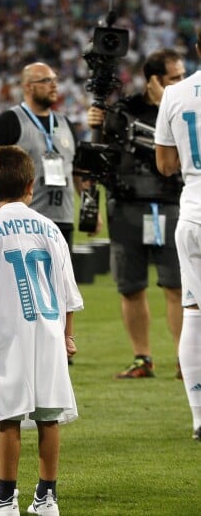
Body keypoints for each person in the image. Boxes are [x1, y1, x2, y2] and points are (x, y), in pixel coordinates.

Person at [0, 145, 83, 516]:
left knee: (9, 417)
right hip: (47, 333)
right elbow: (67, 290)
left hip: (7, 334)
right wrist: (67, 334)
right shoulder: (49, 228)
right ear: (31, 186)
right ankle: (46, 498)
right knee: (48, 416)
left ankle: (5, 499)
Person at [87, 48, 185, 379]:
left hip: (171, 203)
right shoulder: (124, 111)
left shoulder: (186, 107)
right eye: (175, 77)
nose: (182, 82)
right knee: (130, 286)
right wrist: (95, 126)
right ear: (154, 79)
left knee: (177, 286)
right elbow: (103, 157)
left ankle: (185, 360)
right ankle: (142, 359)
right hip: (126, 206)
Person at [0, 62, 86, 250]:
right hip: (23, 222)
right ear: (28, 86)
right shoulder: (7, 122)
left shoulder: (66, 124)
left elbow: (76, 171)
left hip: (63, 221)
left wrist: (89, 209)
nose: (54, 85)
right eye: (46, 80)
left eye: (55, 80)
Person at [155, 29, 201, 440]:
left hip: (193, 214)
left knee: (193, 314)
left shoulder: (174, 94)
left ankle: (199, 416)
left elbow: (166, 165)